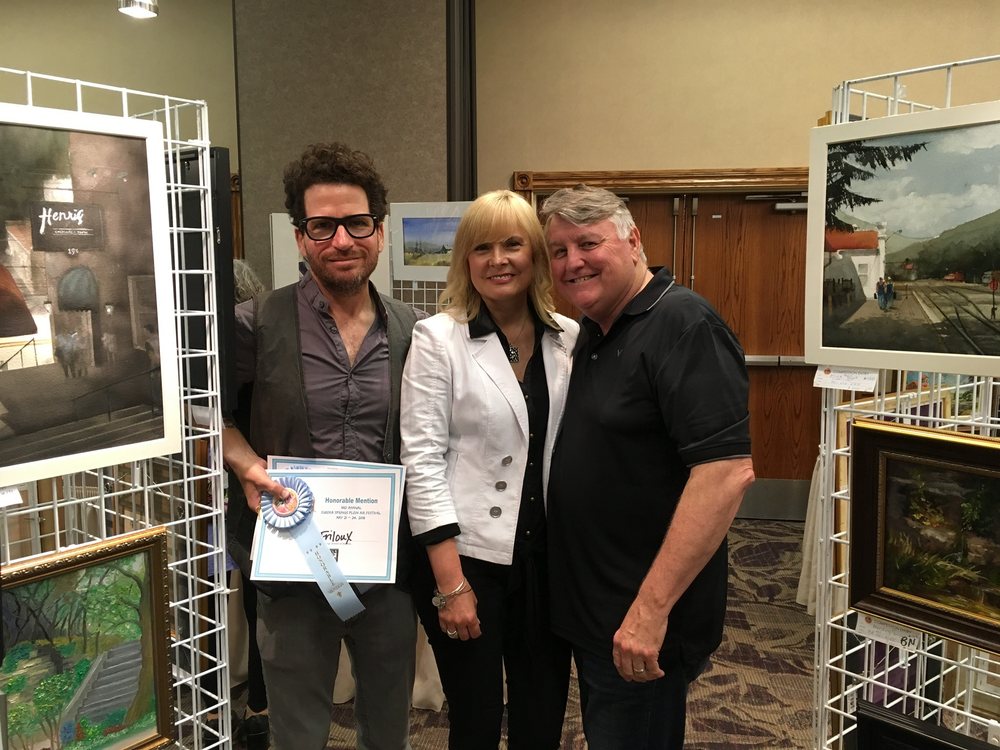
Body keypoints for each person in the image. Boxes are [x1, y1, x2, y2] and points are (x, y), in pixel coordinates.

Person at [539, 185, 755, 750]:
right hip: (597, 613)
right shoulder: (596, 328)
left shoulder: (684, 325)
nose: (572, 262)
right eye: (559, 251)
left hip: (641, 624)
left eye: (588, 244)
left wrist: (650, 612)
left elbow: (725, 474)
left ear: (633, 240)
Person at [223, 142, 421, 750]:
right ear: (300, 236)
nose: (342, 240)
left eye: (357, 223)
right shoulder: (256, 322)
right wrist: (245, 463)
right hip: (291, 564)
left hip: (388, 568)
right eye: (322, 226)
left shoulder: (412, 330)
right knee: (298, 731)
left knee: (388, 725)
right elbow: (196, 407)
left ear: (380, 232)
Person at [400, 190, 578, 749]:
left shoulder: (567, 337)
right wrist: (451, 585)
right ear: (465, 260)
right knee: (475, 720)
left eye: (512, 245)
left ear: (536, 255)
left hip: (544, 560)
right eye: (482, 248)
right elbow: (422, 461)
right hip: (466, 558)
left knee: (542, 714)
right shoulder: (438, 338)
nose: (498, 260)